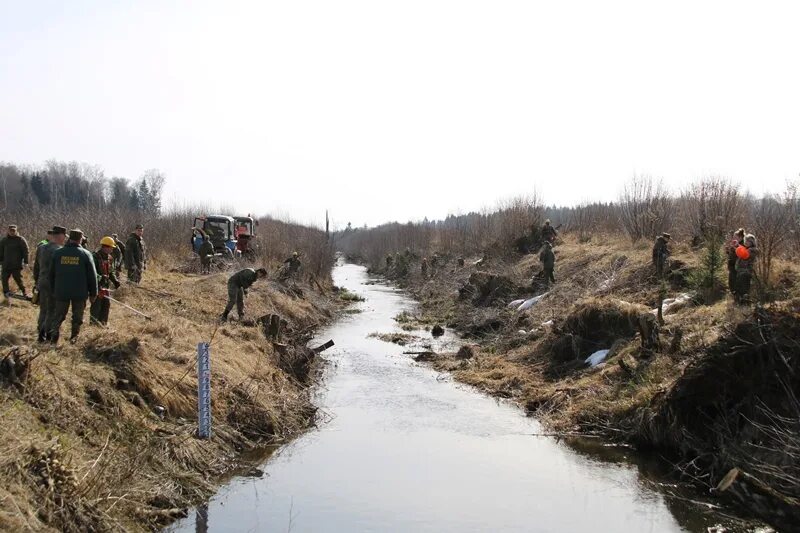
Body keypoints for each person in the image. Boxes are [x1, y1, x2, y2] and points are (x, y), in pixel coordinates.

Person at [48, 229, 98, 343]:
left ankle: (53, 338)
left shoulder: (58, 253)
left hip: (61, 291)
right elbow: (92, 276)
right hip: (80, 293)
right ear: (80, 239)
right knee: (77, 317)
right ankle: (74, 338)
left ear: (69, 238)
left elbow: (51, 274)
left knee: (58, 316)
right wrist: (93, 293)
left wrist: (53, 290)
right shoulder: (86, 254)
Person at [33, 226, 66, 341]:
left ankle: (40, 334)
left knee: (43, 309)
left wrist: (36, 281)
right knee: (52, 310)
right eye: (64, 237)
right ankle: (47, 334)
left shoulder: (41, 248)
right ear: (60, 236)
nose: (64, 239)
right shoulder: (60, 251)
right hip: (53, 284)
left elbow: (36, 267)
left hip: (41, 282)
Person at [90, 237, 121, 326]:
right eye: (111, 247)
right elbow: (91, 273)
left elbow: (111, 271)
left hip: (106, 286)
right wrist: (100, 278)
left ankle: (103, 324)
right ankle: (93, 326)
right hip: (96, 286)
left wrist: (115, 281)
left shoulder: (109, 258)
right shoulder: (94, 257)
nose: (112, 249)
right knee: (96, 306)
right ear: (105, 247)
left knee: (106, 305)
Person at [0, 224, 30, 298]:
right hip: (6, 264)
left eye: (14, 231)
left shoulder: (20, 239)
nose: (12, 232)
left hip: (16, 264)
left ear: (16, 231)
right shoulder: (4, 240)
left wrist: (26, 262)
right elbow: (0, 251)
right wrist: (0, 262)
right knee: (4, 279)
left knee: (18, 279)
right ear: (8, 231)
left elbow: (26, 251)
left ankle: (24, 292)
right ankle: (6, 293)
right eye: (11, 231)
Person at [735, 234, 758, 304]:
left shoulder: (752, 250)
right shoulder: (748, 249)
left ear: (752, 242)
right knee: (741, 287)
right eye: (746, 241)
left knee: (744, 288)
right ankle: (742, 302)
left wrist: (737, 246)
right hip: (742, 271)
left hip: (746, 271)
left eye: (748, 241)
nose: (746, 243)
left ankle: (744, 303)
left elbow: (743, 254)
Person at [725, 228, 746, 296]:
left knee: (735, 283)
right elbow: (731, 254)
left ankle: (738, 298)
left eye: (735, 237)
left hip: (737, 267)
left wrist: (735, 248)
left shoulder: (743, 245)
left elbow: (740, 255)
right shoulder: (735, 244)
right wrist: (728, 250)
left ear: (740, 237)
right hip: (732, 266)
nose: (734, 238)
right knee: (731, 283)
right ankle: (735, 296)